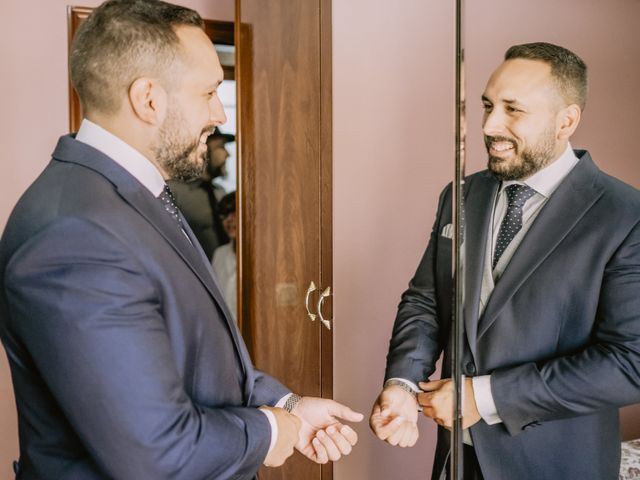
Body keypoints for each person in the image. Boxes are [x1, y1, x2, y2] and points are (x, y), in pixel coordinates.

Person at [0, 1, 362, 478]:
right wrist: (272, 431)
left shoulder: (134, 196)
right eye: (210, 91)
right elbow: (157, 454)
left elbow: (191, 358)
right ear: (149, 98)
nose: (218, 112)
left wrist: (288, 405)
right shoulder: (75, 236)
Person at [370, 42, 640, 480]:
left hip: (557, 464)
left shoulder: (625, 215)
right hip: (459, 457)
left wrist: (484, 396)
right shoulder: (461, 194)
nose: (490, 125)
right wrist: (401, 384)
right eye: (488, 106)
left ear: (566, 121)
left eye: (513, 110)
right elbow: (426, 301)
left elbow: (630, 363)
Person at [168, 127, 235, 260]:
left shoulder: (219, 192)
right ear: (204, 149)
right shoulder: (174, 192)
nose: (227, 154)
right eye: (221, 147)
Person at [212, 191, 238, 320]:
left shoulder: (262, 255)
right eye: (224, 216)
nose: (228, 220)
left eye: (233, 213)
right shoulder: (219, 254)